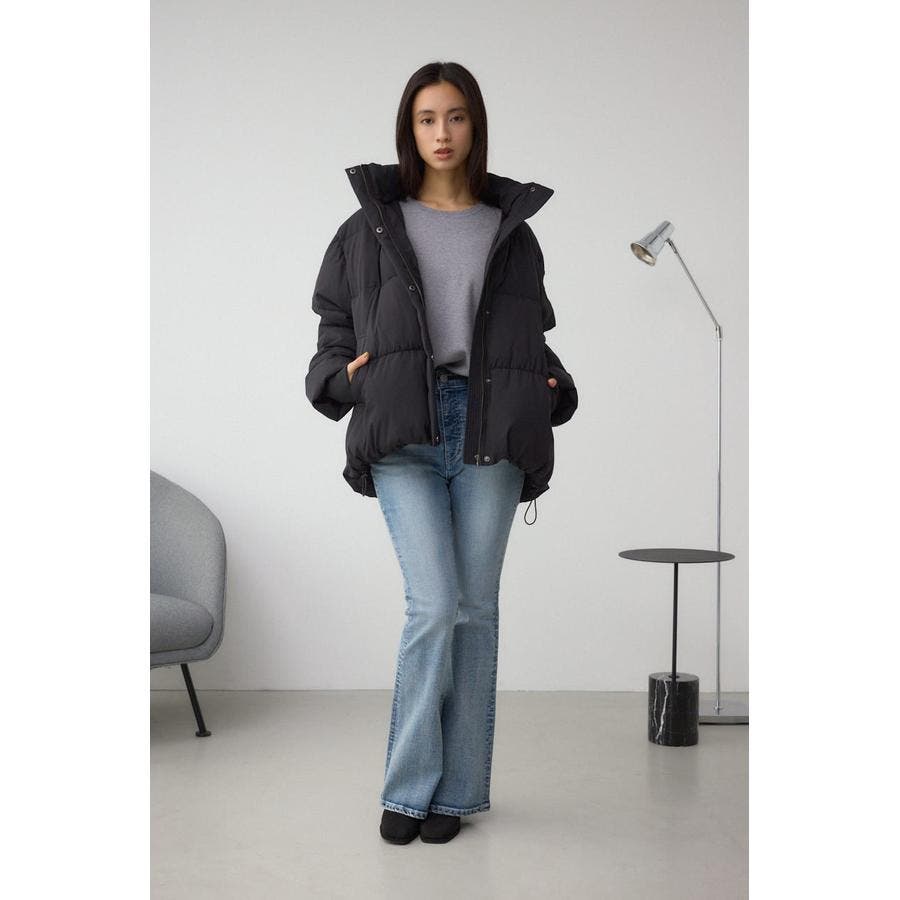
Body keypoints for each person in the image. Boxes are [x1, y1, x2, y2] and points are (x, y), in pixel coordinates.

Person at [306, 61, 578, 845]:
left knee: (475, 611)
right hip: (406, 429)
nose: (442, 133)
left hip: (490, 431)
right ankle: (408, 789)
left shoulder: (510, 230)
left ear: (474, 125)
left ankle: (455, 795)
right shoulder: (369, 228)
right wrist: (343, 379)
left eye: (455, 117)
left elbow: (529, 333)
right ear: (409, 130)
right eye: (427, 119)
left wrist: (553, 386)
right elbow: (333, 330)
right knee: (433, 606)